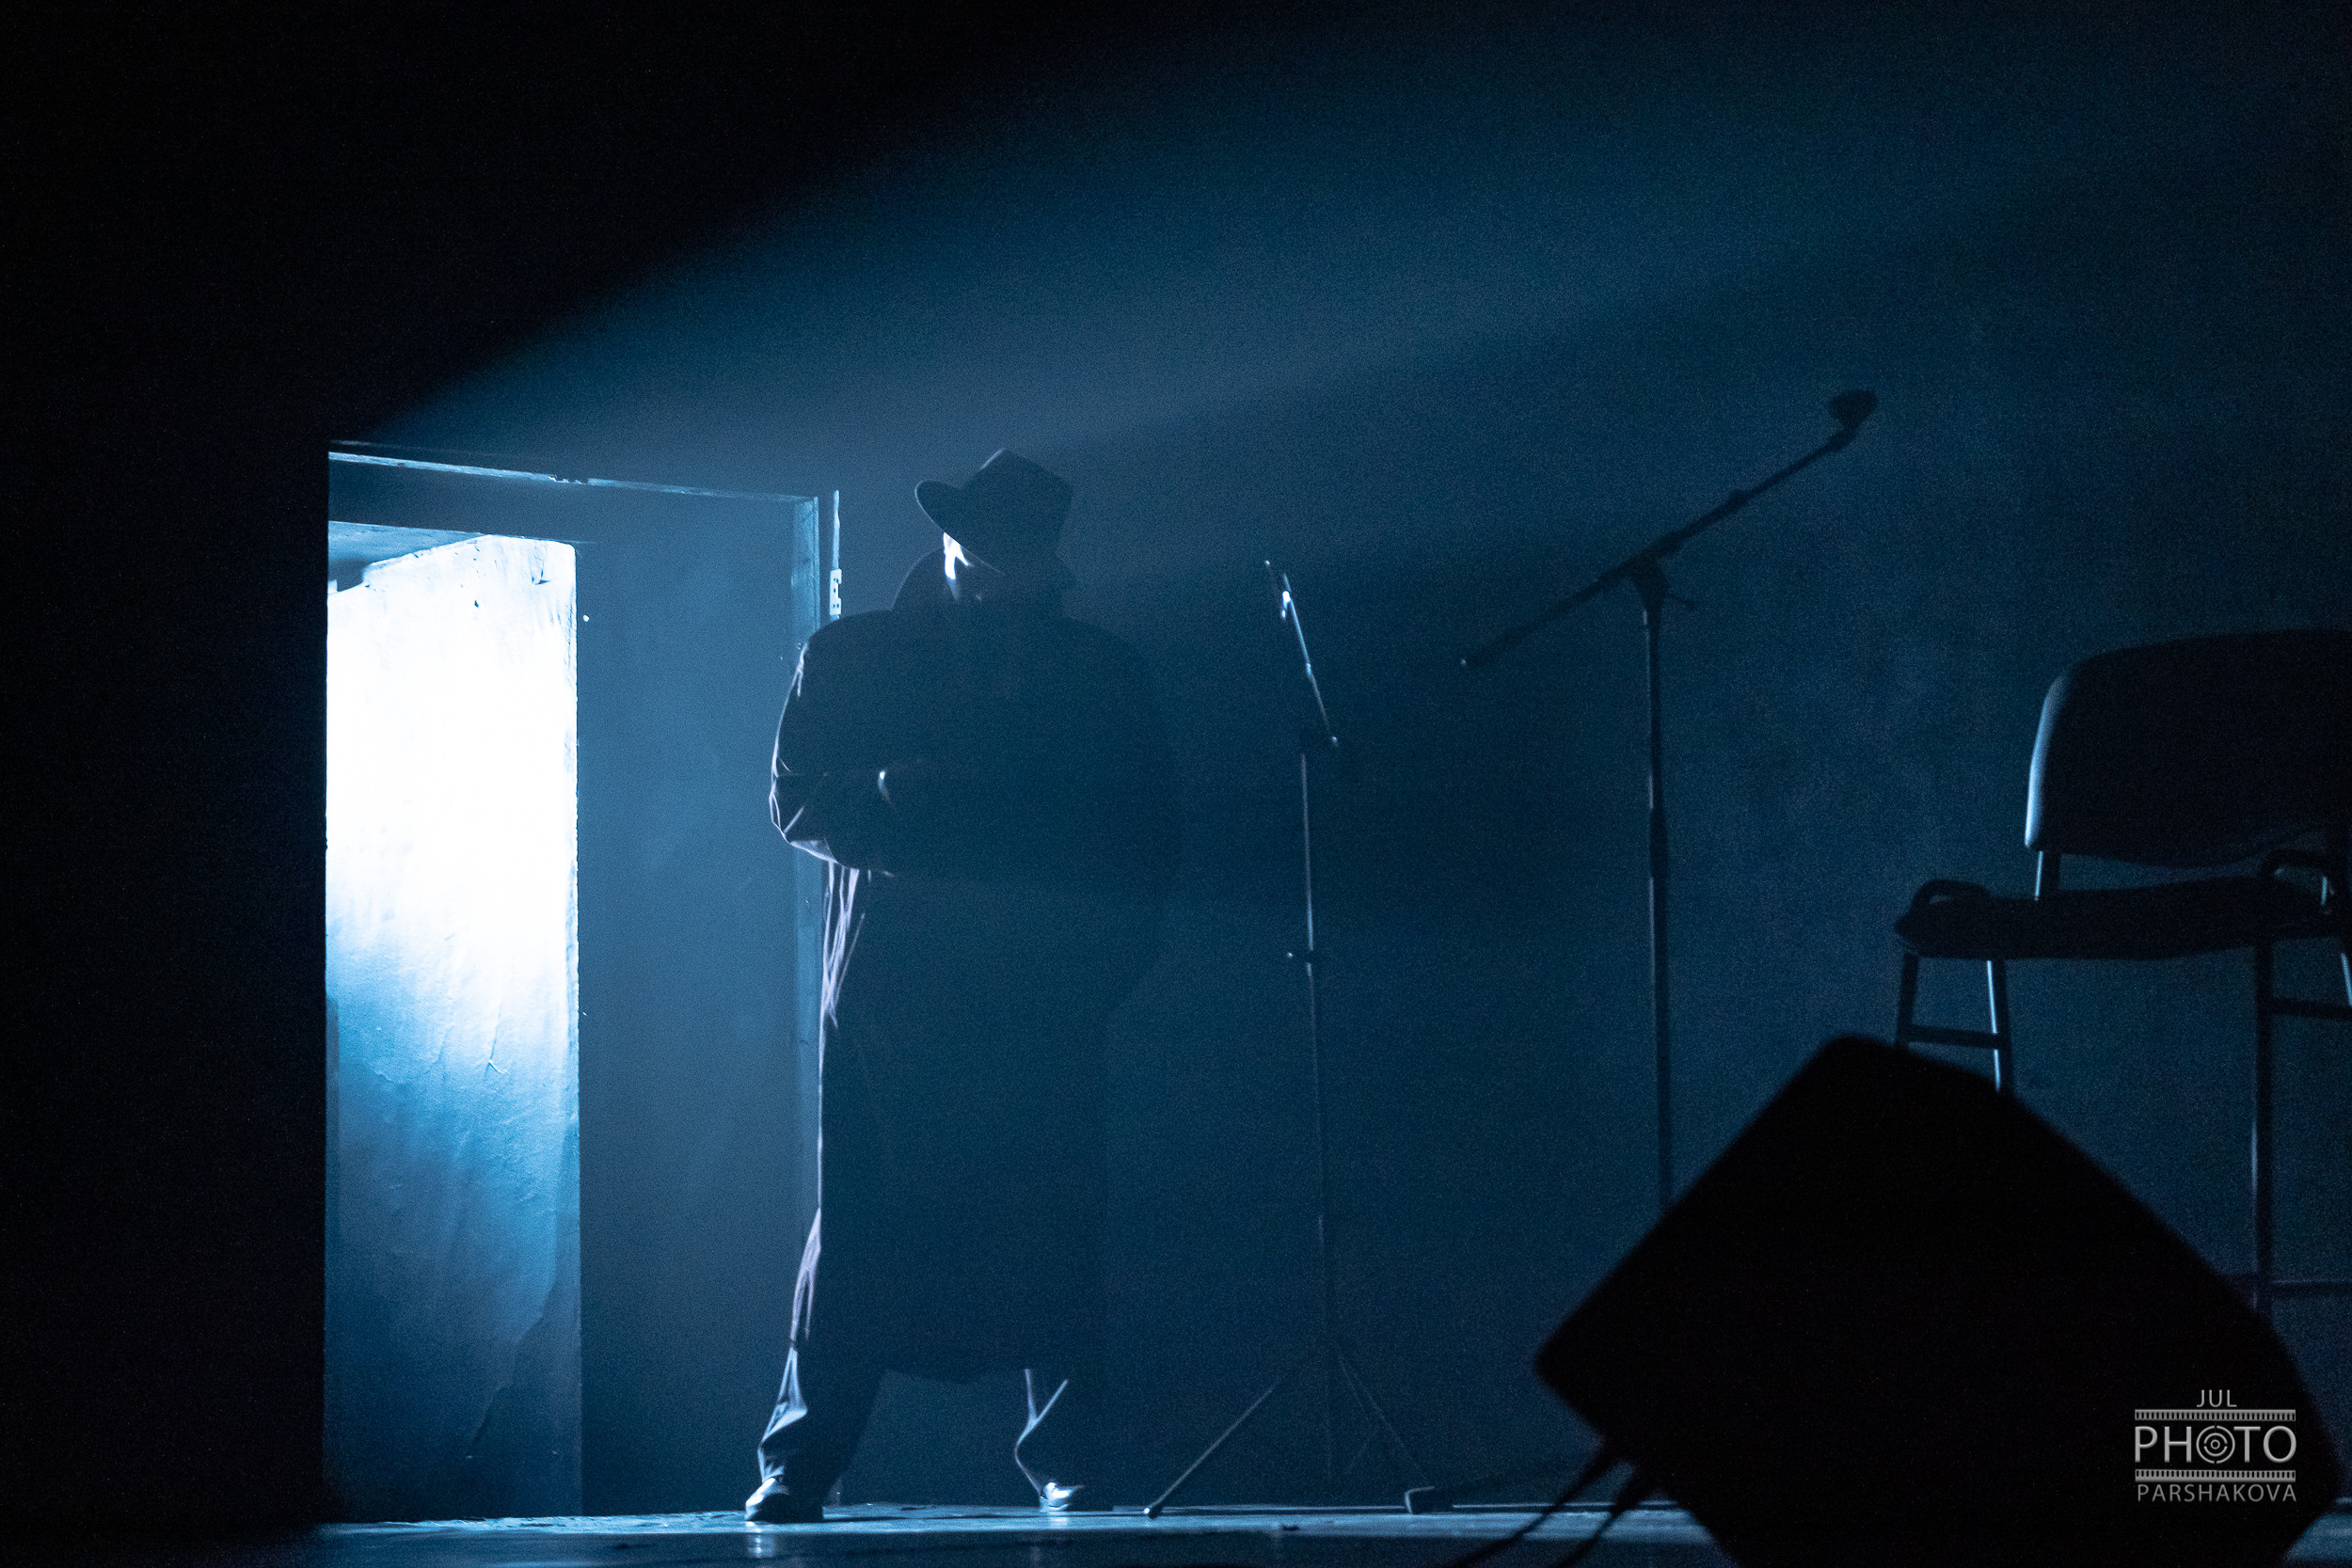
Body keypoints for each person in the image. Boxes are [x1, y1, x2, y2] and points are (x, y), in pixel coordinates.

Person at [745, 451, 1179, 1523]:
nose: (997, 579)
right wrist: (892, 797)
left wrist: (1092, 974)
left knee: (1052, 1215)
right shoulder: (852, 654)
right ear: (949, 540)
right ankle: (801, 1460)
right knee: (863, 1220)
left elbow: (1143, 840)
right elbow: (795, 799)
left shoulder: (1097, 673)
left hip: (1035, 997)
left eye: (1014, 562)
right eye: (986, 556)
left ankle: (1066, 1455)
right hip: (894, 997)